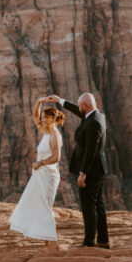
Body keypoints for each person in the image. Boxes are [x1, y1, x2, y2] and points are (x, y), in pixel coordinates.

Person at [45, 93, 109, 249]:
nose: (79, 109)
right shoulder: (97, 114)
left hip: (92, 171)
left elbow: (91, 150)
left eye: (81, 106)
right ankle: (103, 240)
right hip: (98, 168)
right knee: (98, 205)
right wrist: (60, 100)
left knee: (89, 207)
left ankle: (89, 243)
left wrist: (83, 173)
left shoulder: (93, 122)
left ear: (85, 106)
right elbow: (77, 110)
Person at [8, 96, 65, 249]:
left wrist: (40, 163)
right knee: (38, 205)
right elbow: (34, 116)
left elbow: (56, 157)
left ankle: (53, 242)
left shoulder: (55, 136)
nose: (42, 121)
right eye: (43, 118)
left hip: (48, 175)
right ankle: (47, 240)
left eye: (45, 118)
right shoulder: (46, 132)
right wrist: (39, 102)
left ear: (52, 119)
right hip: (40, 174)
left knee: (45, 206)